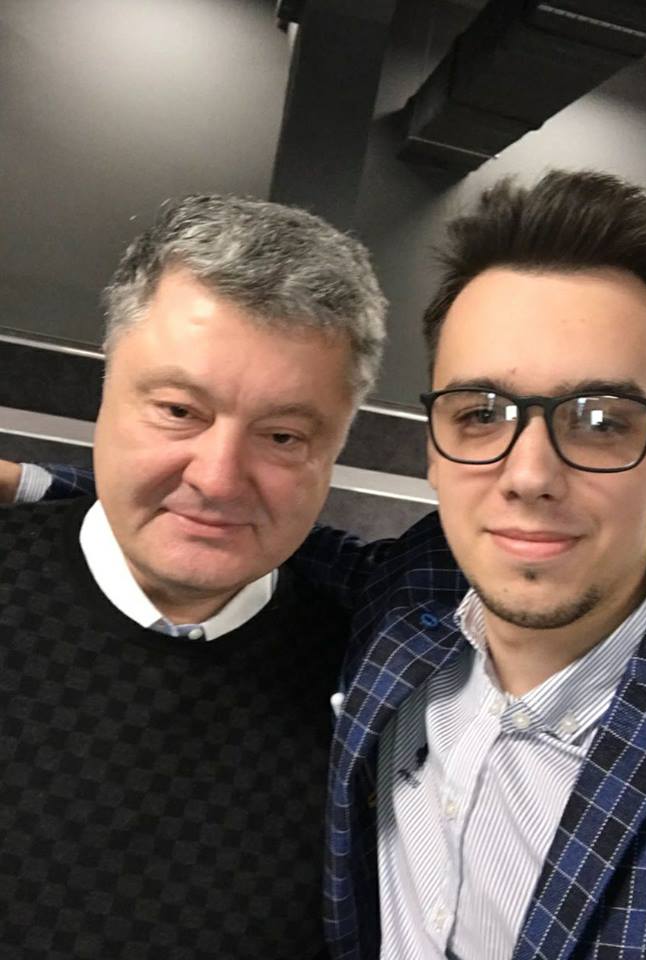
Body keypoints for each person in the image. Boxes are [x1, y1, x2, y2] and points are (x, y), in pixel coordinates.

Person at [7, 169, 646, 960]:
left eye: (599, 421)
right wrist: (42, 485)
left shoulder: (369, 624)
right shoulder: (409, 600)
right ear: (433, 445)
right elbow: (218, 523)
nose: (528, 474)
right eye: (481, 414)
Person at [0, 193, 386, 959]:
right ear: (106, 389)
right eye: (179, 411)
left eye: (282, 436)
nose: (218, 478)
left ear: (336, 445)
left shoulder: (379, 696)